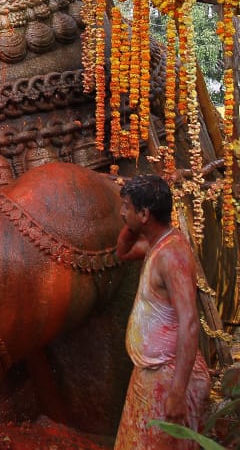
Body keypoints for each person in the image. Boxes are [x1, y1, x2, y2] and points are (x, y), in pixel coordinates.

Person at [114, 175, 210, 450]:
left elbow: (190, 323)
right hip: (150, 374)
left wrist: (177, 393)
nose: (122, 213)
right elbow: (123, 251)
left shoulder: (172, 255)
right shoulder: (156, 243)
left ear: (144, 214)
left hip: (170, 376)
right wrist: (132, 225)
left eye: (126, 207)